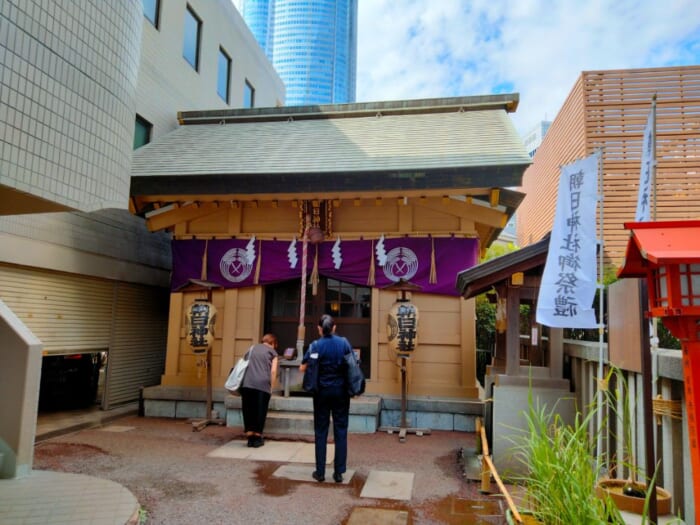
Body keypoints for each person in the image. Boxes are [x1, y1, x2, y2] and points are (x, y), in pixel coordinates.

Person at [300, 314, 352, 483]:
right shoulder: (344, 343)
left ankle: (320, 471)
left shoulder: (315, 345)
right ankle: (339, 472)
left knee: (321, 431)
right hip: (341, 392)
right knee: (341, 430)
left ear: (319, 328)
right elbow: (352, 364)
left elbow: (302, 368)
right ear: (334, 327)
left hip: (321, 392)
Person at [240, 333, 279, 448]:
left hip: (247, 384)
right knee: (260, 410)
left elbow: (244, 363)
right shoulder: (273, 353)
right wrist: (271, 387)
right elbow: (273, 371)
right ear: (272, 343)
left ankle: (249, 437)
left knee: (248, 410)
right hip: (262, 385)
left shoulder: (251, 348)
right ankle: (257, 437)